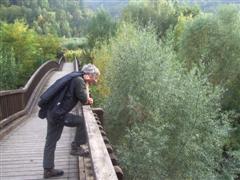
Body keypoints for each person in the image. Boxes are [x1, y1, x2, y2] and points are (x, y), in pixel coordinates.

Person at [43, 64, 100, 179]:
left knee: (51, 141)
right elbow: (84, 100)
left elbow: (82, 96)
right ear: (89, 75)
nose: (96, 80)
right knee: (82, 122)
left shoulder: (75, 77)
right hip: (58, 115)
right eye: (95, 77)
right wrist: (88, 98)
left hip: (53, 112)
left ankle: (48, 169)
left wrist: (87, 86)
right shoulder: (79, 81)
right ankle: (76, 147)